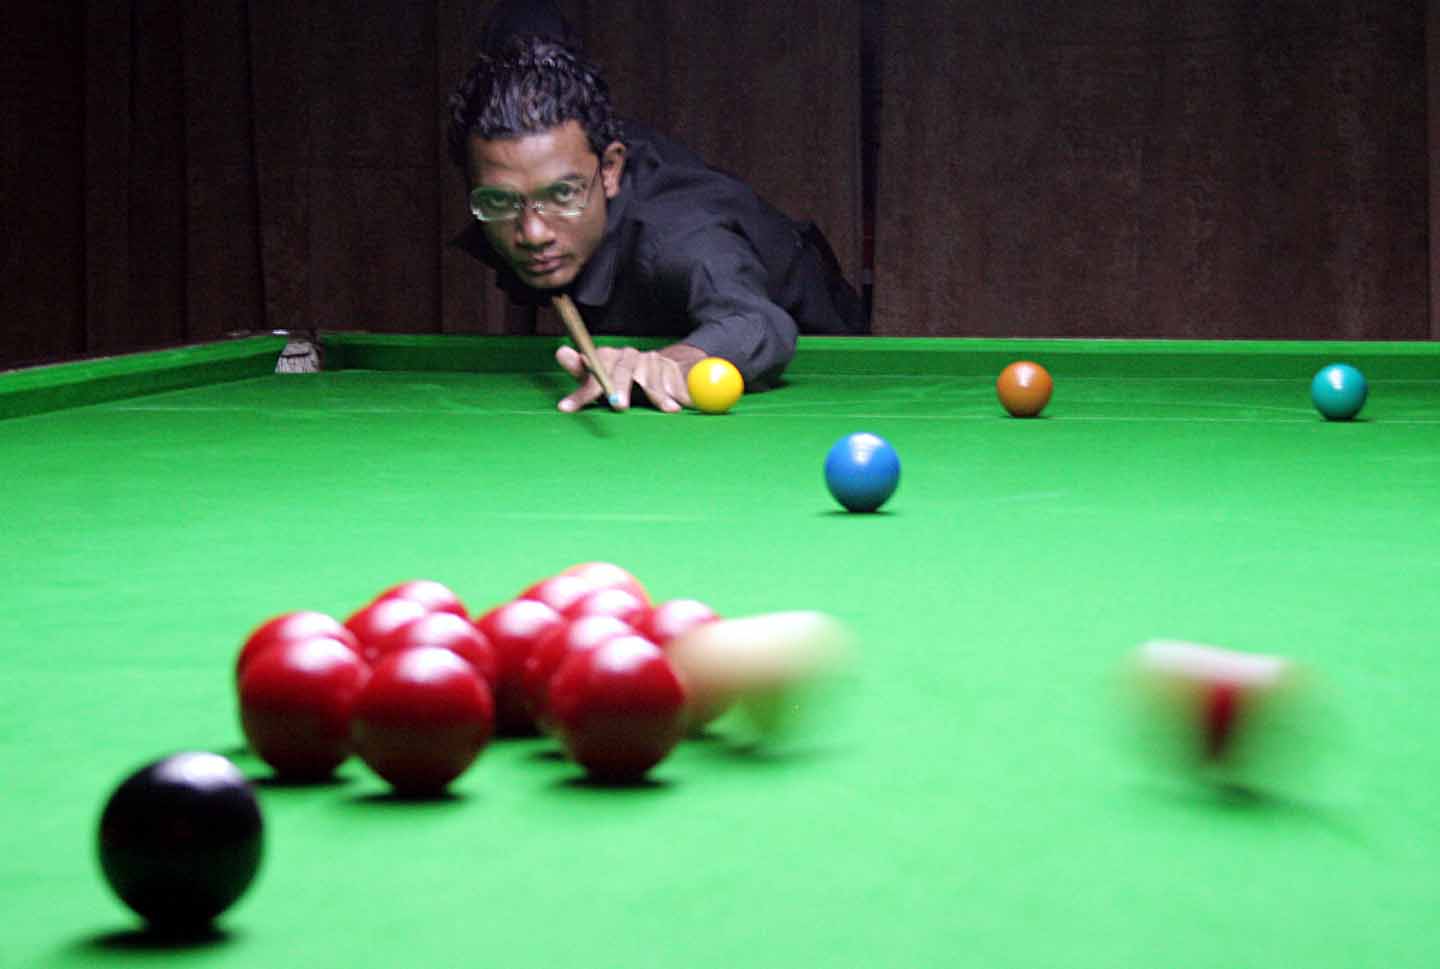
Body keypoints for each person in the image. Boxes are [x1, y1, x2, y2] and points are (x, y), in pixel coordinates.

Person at [446, 10, 867, 413]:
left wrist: (672, 362)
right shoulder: (545, 130)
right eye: (500, 201)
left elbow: (755, 321)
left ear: (610, 169)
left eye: (561, 194)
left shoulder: (681, 238)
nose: (533, 233)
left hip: (814, 357)